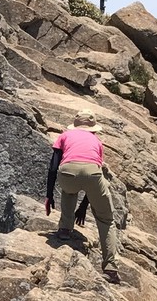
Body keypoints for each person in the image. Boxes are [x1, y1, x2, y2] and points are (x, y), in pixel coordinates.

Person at [45, 109, 120, 281]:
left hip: (67, 173)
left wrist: (49, 195)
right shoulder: (97, 141)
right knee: (106, 220)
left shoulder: (64, 136)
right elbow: (93, 175)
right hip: (93, 175)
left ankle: (64, 229)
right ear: (93, 128)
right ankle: (110, 269)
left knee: (68, 188)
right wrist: (84, 207)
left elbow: (53, 167)